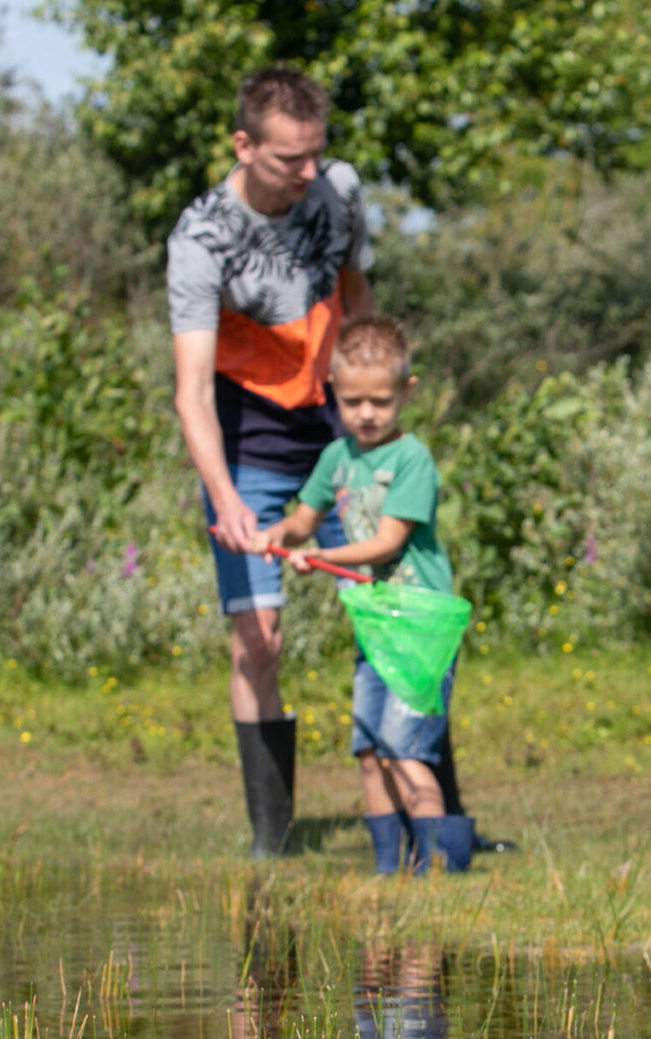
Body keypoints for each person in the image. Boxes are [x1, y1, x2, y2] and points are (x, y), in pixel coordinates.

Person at [167, 66, 496, 859]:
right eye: (288, 159)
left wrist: (373, 414)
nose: (308, 173)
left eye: (316, 153)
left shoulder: (337, 190)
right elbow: (191, 394)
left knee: (399, 604)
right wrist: (226, 499)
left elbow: (357, 300)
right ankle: (270, 840)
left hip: (335, 419)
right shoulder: (200, 237)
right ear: (243, 146)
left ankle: (439, 824)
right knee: (260, 639)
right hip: (247, 436)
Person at [254, 317, 474, 874]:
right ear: (333, 393)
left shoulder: (411, 458)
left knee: (406, 748)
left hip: (419, 628)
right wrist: (277, 536)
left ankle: (436, 870)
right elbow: (303, 521)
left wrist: (322, 560)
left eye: (381, 400)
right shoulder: (337, 458)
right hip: (375, 627)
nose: (367, 413)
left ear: (407, 392)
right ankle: (386, 870)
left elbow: (387, 542)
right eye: (353, 401)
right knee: (371, 749)